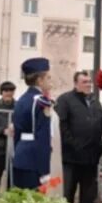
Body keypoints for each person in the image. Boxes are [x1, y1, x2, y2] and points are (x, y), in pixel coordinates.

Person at [55, 71, 102, 203]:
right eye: (84, 82)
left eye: (89, 81)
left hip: (91, 156)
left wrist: (99, 145)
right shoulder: (65, 100)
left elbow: (100, 124)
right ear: (76, 83)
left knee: (88, 191)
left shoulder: (95, 102)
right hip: (72, 155)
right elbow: (61, 125)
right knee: (68, 189)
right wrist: (73, 144)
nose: (88, 84)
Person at [12, 58, 62, 191]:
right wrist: (44, 170)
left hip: (21, 155)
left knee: (21, 201)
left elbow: (17, 132)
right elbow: (42, 136)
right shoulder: (40, 102)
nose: (51, 82)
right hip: (34, 159)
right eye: (48, 78)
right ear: (40, 80)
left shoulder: (22, 99)